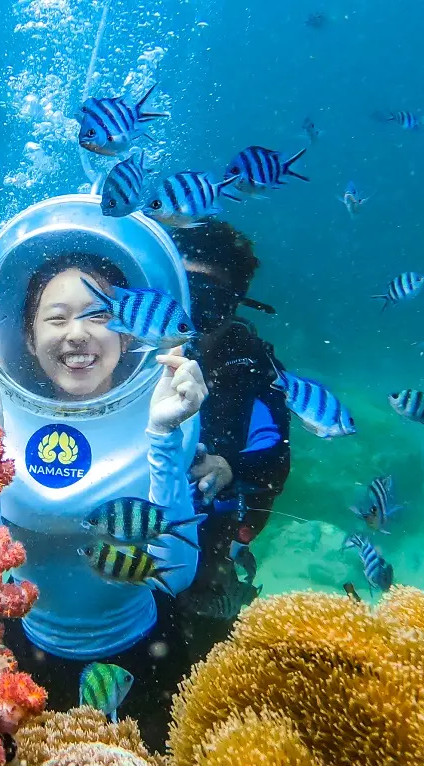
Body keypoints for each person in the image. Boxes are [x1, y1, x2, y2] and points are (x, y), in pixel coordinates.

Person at [0, 195, 206, 750]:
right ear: (27, 335)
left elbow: (179, 574)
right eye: (56, 318)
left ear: (128, 332)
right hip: (23, 655)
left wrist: (164, 436)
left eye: (96, 316)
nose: (76, 334)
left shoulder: (166, 406)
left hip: (145, 655)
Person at [168, 221, 291, 658]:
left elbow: (277, 459)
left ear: (234, 306)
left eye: (209, 302)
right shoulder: (121, 350)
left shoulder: (251, 366)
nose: (189, 318)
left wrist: (229, 468)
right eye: (181, 294)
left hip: (208, 541)